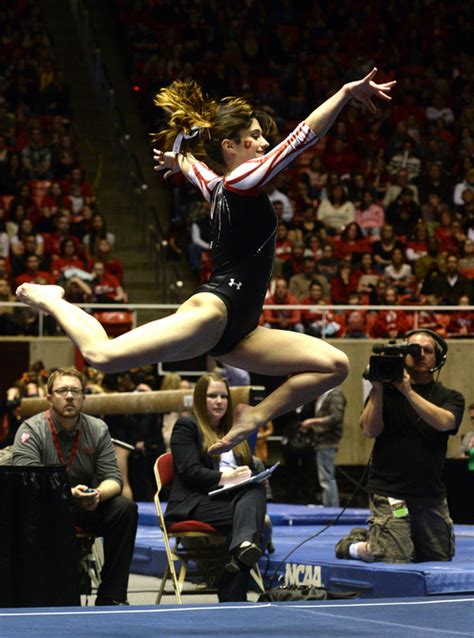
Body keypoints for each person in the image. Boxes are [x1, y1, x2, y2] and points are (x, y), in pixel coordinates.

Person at [16, 68, 396, 454]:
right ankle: (52, 299)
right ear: (232, 147)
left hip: (242, 330)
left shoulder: (220, 187)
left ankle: (254, 415)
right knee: (102, 356)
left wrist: (177, 158)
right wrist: (346, 92)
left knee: (335, 365)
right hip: (217, 310)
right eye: (256, 137)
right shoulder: (242, 179)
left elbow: (193, 168)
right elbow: (301, 139)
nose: (265, 143)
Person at [11, 367, 138, 605]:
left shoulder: (97, 429)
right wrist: (69, 495)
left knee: (124, 508)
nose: (69, 396)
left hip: (86, 504)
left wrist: (98, 494)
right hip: (46, 509)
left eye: (75, 391)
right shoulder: (31, 430)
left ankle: (112, 596)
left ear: (83, 397)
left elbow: (113, 478)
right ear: (49, 398)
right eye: (62, 391)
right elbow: (27, 485)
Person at [336, 330, 464, 563]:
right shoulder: (384, 394)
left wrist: (407, 390)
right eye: (414, 350)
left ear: (439, 359)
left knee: (439, 558)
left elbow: (445, 423)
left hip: (429, 494)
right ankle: (353, 546)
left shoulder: (450, 397)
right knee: (395, 557)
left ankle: (374, 536)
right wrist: (377, 388)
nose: (420, 355)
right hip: (391, 493)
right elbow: (369, 430)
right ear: (403, 355)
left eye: (428, 351)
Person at [165, 372, 267, 602]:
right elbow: (190, 472)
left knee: (254, 493)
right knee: (248, 518)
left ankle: (241, 550)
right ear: (201, 399)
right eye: (212, 396)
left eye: (223, 396)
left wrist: (253, 476)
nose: (219, 401)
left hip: (230, 499)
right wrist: (227, 477)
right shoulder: (187, 427)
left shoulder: (233, 430)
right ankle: (234, 593)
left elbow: (246, 468)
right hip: (196, 501)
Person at [299, 386, 347, 507]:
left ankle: (332, 508)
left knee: (327, 477)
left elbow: (336, 417)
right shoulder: (323, 393)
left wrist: (313, 421)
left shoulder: (335, 394)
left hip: (329, 440)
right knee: (324, 477)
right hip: (320, 440)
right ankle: (328, 506)